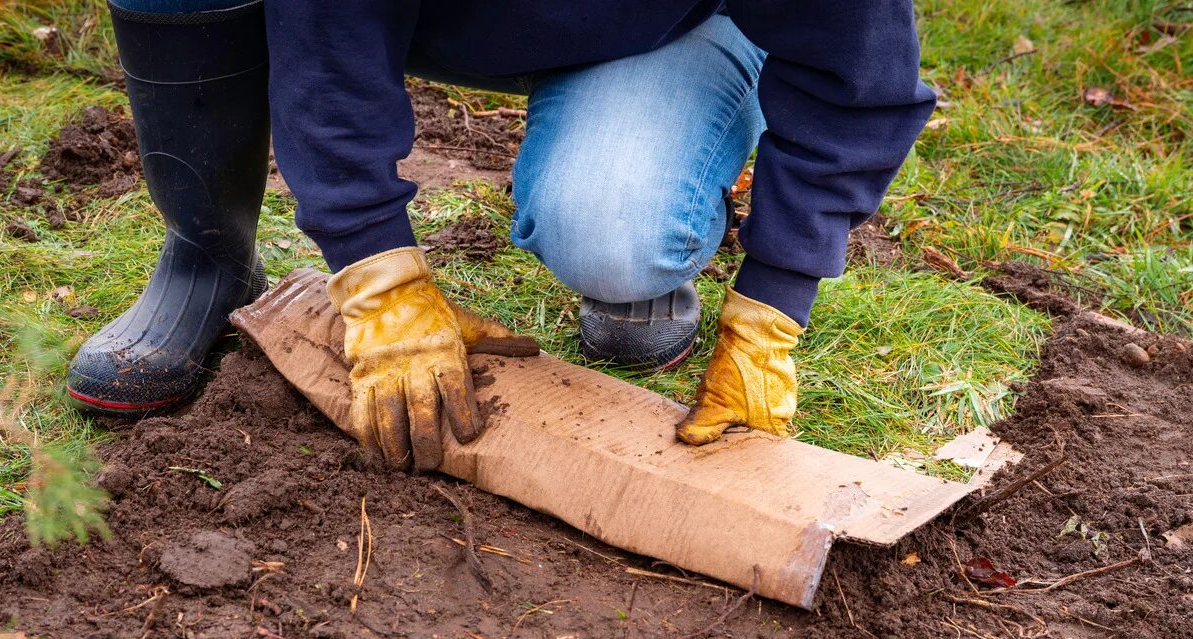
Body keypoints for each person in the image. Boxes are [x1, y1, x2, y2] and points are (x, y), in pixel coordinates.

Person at [68, 1, 935, 473]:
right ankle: (207, 252)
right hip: (444, 17)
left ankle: (644, 242)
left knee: (613, 231)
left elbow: (859, 74)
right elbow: (330, 42)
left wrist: (774, 306)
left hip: (660, 25)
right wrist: (375, 268)